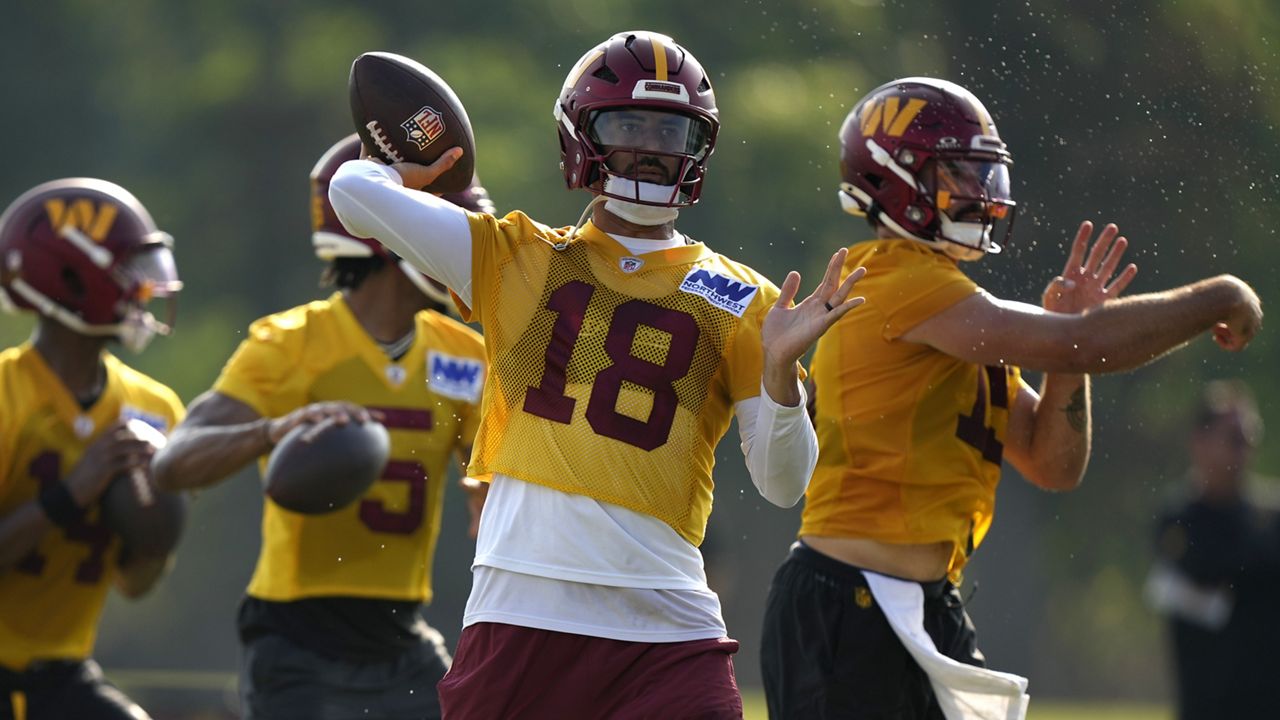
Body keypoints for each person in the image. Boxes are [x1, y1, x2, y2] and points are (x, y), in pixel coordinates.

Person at [329, 30, 865, 719]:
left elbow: (783, 484)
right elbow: (350, 189)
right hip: (522, 609)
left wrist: (783, 376)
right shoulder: (517, 255)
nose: (651, 146)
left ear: (699, 148)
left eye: (672, 130)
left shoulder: (753, 303)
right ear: (580, 135)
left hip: (667, 625)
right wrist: (427, 174)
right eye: (627, 123)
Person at [759, 77, 1265, 719]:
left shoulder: (952, 307)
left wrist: (1065, 365)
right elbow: (1081, 344)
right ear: (894, 179)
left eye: (982, 175)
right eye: (959, 174)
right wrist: (1217, 296)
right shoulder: (893, 278)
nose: (979, 194)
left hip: (925, 602)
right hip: (849, 602)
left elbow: (1054, 464)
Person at [150, 135, 492, 720]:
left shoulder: (467, 356)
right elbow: (172, 464)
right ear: (384, 232)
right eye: (434, 215)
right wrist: (274, 430)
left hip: (401, 632)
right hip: (297, 636)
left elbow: (497, 479)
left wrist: (496, 496)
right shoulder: (287, 346)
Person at [0, 178, 185, 720]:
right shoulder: (8, 395)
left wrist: (157, 532)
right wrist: (75, 491)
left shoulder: (155, 408)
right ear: (72, 275)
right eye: (132, 273)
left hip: (62, 673)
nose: (148, 289)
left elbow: (134, 583)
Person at [1146, 380, 1279, 720]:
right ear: (1199, 442)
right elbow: (1203, 571)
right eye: (1234, 439)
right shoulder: (1179, 520)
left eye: (1251, 438)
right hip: (1207, 706)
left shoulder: (1271, 517)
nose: (1244, 449)